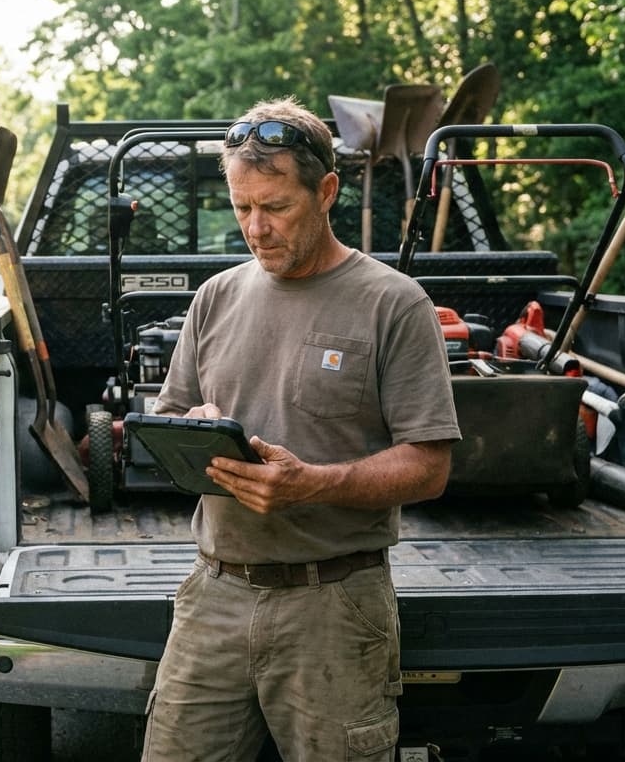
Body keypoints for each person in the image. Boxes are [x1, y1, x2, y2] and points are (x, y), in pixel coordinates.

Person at [141, 97, 461, 762]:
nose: (256, 228)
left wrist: (311, 484)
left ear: (326, 192)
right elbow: (167, 417)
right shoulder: (216, 297)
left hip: (335, 605)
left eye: (276, 207)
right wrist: (194, 426)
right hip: (213, 594)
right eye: (242, 207)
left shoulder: (394, 304)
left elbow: (429, 465)